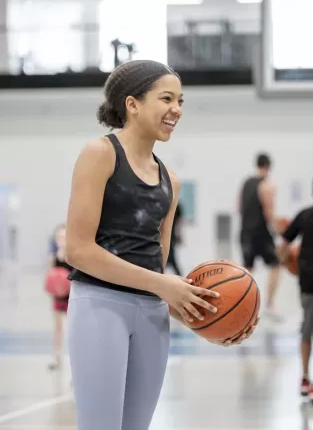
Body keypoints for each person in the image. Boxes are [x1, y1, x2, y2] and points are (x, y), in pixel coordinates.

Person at [65, 60, 257, 430]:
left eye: (180, 101)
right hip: (100, 306)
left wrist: (207, 318)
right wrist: (164, 285)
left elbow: (156, 267)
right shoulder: (100, 154)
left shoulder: (171, 180)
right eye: (166, 98)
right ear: (132, 104)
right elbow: (78, 250)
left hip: (152, 313)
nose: (177, 110)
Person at [278, 171, 313, 406]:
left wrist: (285, 262)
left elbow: (283, 244)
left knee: (306, 331)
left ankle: (303, 378)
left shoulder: (304, 215)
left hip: (307, 282)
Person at [238, 153, 282, 320]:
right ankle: (270, 305)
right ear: (269, 167)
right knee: (276, 265)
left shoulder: (245, 183)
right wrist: (280, 231)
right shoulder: (267, 185)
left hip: (245, 232)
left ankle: (243, 307)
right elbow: (269, 213)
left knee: (247, 271)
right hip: (260, 232)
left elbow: (239, 208)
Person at [47, 223, 73, 371]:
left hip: (71, 297)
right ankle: (56, 356)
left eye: (64, 237)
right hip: (58, 297)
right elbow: (50, 275)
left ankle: (72, 361)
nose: (61, 240)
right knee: (57, 328)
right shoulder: (53, 256)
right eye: (59, 237)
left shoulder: (72, 256)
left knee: (72, 328)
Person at [166, 202, 184, 275]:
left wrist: (179, 234)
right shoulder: (164, 202)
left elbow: (179, 221)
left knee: (171, 258)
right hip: (162, 236)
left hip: (170, 237)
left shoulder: (176, 205)